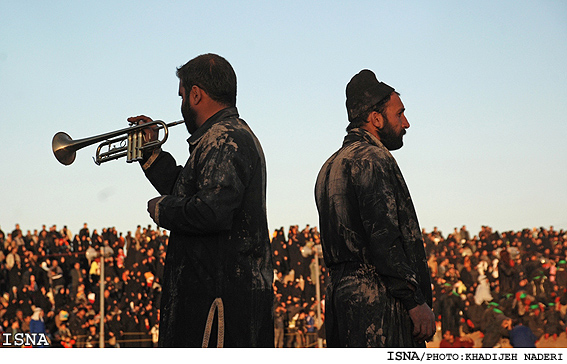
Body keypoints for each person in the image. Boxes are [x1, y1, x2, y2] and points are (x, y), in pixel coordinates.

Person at [128, 53, 273, 347]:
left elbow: (210, 211)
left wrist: (161, 209)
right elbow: (189, 191)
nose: (181, 106)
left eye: (181, 96)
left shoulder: (226, 137)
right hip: (213, 301)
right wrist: (151, 153)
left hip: (218, 309)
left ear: (195, 94)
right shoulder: (218, 138)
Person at [314, 69, 434, 347]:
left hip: (340, 303)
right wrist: (414, 301)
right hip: (379, 306)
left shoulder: (329, 166)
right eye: (399, 114)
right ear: (376, 118)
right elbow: (384, 238)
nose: (406, 123)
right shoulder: (374, 158)